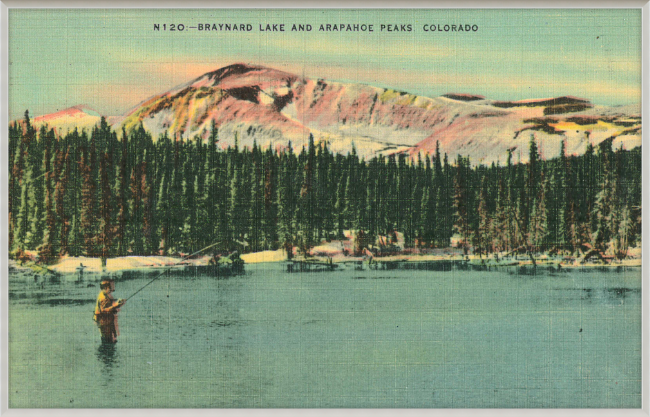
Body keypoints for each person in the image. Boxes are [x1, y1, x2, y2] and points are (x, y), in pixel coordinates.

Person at [94, 279, 126, 344]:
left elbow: (110, 306)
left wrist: (118, 303)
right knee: (107, 340)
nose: (112, 290)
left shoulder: (104, 294)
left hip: (106, 321)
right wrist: (116, 305)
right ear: (105, 288)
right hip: (104, 322)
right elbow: (104, 310)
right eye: (110, 288)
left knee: (109, 339)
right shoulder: (103, 297)